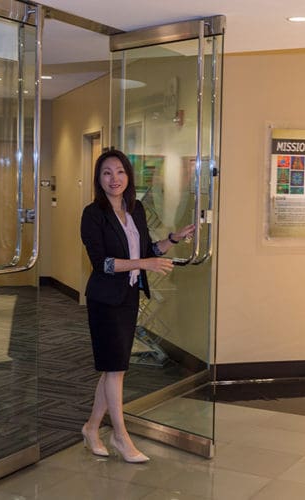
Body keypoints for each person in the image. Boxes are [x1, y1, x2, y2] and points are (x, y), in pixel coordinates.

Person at [80, 149, 195, 463]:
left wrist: (172, 239)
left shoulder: (136, 210)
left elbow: (147, 249)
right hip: (104, 300)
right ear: (98, 179)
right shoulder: (93, 214)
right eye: (106, 173)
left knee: (113, 370)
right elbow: (102, 263)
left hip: (128, 297)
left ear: (128, 176)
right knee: (115, 369)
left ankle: (92, 428)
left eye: (119, 172)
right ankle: (120, 435)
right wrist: (145, 262)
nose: (114, 179)